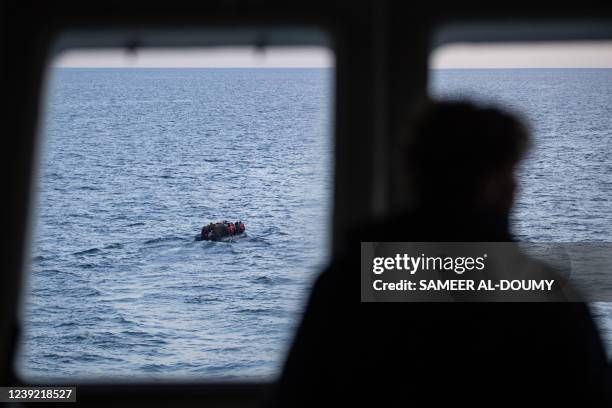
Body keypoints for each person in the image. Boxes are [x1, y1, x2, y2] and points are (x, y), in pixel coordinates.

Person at [271, 101, 608, 407]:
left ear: (415, 177)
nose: (515, 186)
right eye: (511, 171)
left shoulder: (344, 284)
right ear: (493, 181)